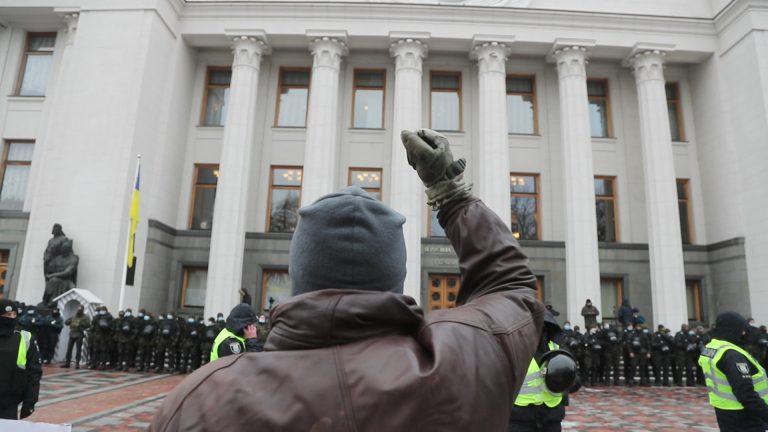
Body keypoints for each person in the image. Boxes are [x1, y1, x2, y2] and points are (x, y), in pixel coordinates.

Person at [151, 128, 545, 431]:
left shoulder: (203, 399)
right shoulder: (464, 361)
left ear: (297, 273)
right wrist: (451, 193)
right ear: (397, 273)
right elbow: (511, 286)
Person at [699, 311, 768, 431]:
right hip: (745, 417)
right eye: (742, 330)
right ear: (732, 330)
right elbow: (746, 394)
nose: (744, 333)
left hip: (725, 412)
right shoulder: (732, 355)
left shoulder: (712, 347)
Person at [509, 312, 578, 431]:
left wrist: (566, 379)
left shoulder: (557, 348)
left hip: (550, 418)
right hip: (520, 418)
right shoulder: (513, 350)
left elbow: (574, 379)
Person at [0, 299, 42, 420]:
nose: (11, 317)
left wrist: (30, 400)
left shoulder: (25, 338)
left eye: (14, 314)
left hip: (10, 401)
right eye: (7, 315)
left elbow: (34, 372)